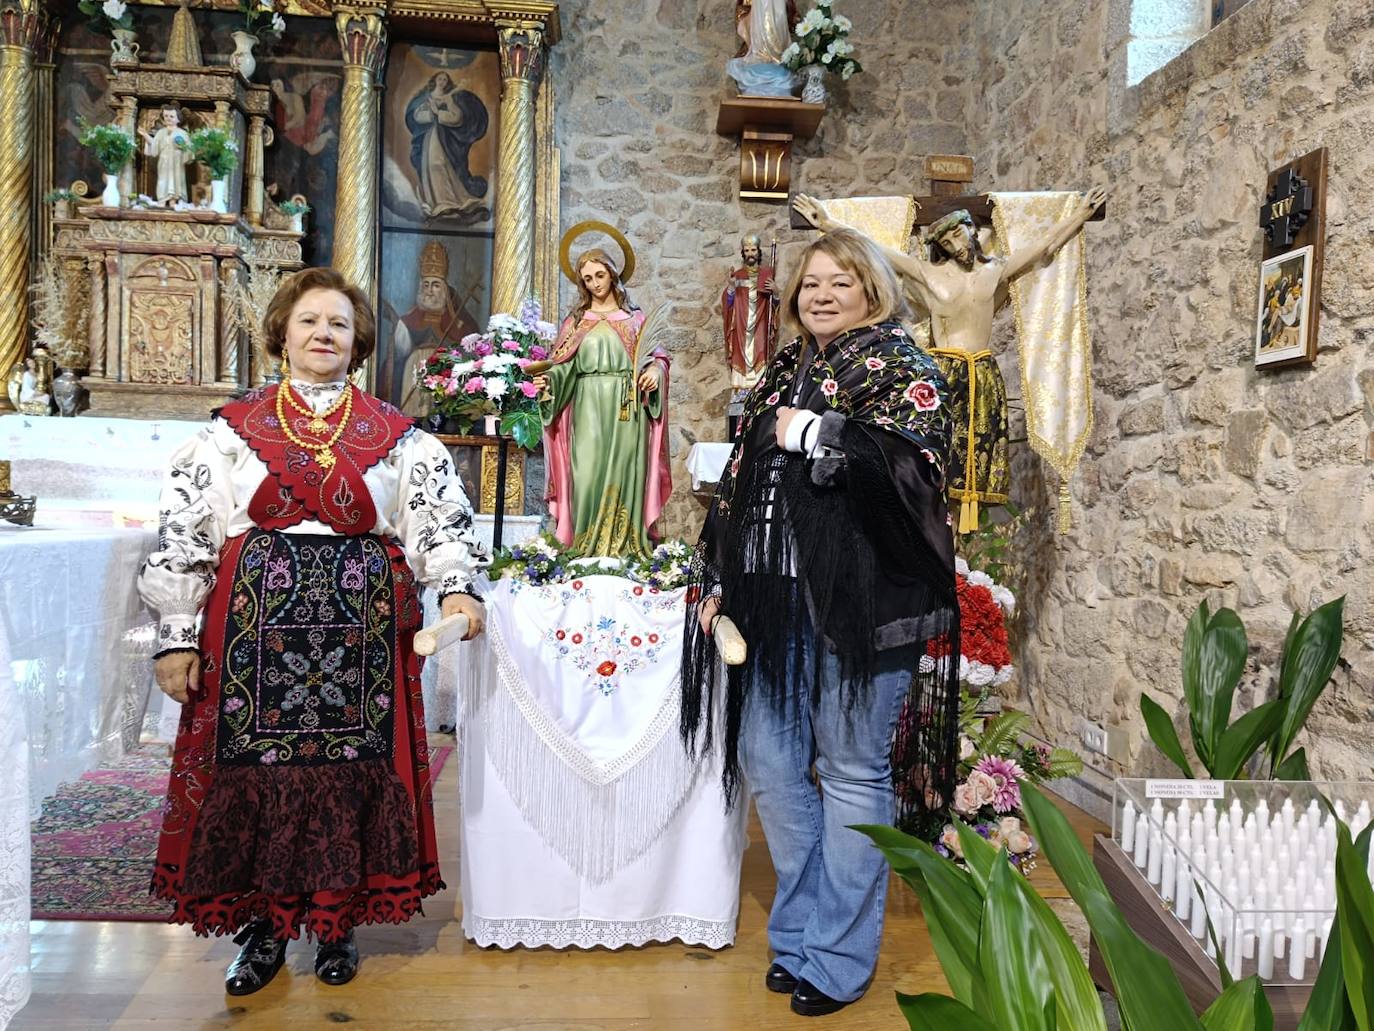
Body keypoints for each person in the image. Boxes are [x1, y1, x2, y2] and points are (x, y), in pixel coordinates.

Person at [137, 266, 488, 995]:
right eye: (308, 321)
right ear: (282, 334)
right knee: (257, 772)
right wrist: (176, 635)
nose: (323, 333)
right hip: (250, 633)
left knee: (347, 771)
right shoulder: (230, 432)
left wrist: (456, 589)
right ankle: (262, 929)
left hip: (363, 632)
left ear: (358, 339)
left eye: (337, 323)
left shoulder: (398, 435)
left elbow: (439, 520)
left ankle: (335, 921)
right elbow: (187, 530)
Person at [680, 228, 960, 1017]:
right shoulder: (783, 366)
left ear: (872, 289)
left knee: (851, 771)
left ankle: (836, 956)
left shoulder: (902, 366)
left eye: (841, 280)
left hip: (865, 601)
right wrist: (716, 579)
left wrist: (821, 433)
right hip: (771, 596)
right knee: (768, 757)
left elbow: (912, 472)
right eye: (811, 283)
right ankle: (802, 927)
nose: (822, 293)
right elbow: (738, 479)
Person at [794, 189, 1105, 532]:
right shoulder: (927, 274)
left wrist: (1078, 217)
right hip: (941, 371)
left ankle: (963, 550)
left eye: (962, 231)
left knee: (975, 462)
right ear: (940, 244)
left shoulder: (995, 272)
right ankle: (931, 529)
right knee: (935, 459)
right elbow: (873, 250)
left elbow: (1042, 250)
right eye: (949, 236)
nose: (959, 241)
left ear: (974, 231)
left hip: (982, 374)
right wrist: (827, 224)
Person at [533, 247, 671, 560]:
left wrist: (653, 372)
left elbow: (658, 358)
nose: (595, 283)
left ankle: (623, 546)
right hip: (587, 405)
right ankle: (584, 544)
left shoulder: (635, 320)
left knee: (625, 472)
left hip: (627, 407)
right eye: (587, 279)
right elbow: (562, 366)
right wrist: (549, 382)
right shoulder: (577, 322)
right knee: (586, 472)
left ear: (612, 273)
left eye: (599, 275)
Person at [392, 240, 478, 415]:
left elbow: (471, 353)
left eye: (436, 285)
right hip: (414, 374)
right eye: (426, 284)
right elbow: (399, 354)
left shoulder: (460, 321)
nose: (430, 290)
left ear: (445, 290)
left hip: (447, 378)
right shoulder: (407, 321)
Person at [405, 71, 490, 220]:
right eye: (440, 78)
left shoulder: (450, 98)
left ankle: (448, 201)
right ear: (434, 80)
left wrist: (438, 113)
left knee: (441, 164)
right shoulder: (426, 98)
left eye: (445, 79)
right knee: (431, 166)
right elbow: (417, 116)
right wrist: (430, 114)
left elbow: (457, 117)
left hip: (444, 140)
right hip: (430, 137)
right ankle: (435, 202)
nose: (442, 82)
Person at [722, 233, 780, 391]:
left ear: (758, 251)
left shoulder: (766, 275)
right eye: (747, 250)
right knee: (740, 354)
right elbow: (728, 304)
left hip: (760, 324)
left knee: (760, 350)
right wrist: (732, 288)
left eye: (753, 250)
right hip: (741, 324)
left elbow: (773, 305)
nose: (750, 254)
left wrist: (775, 292)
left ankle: (759, 387)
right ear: (743, 253)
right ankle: (741, 388)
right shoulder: (738, 276)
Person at [140, 106, 193, 205]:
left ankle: (174, 200)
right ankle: (162, 200)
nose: (168, 118)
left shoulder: (183, 133)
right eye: (166, 116)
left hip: (177, 162)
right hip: (164, 161)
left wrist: (184, 147)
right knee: (163, 180)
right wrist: (145, 135)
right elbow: (154, 145)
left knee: (176, 180)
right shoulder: (161, 132)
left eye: (171, 116)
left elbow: (189, 149)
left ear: (178, 119)